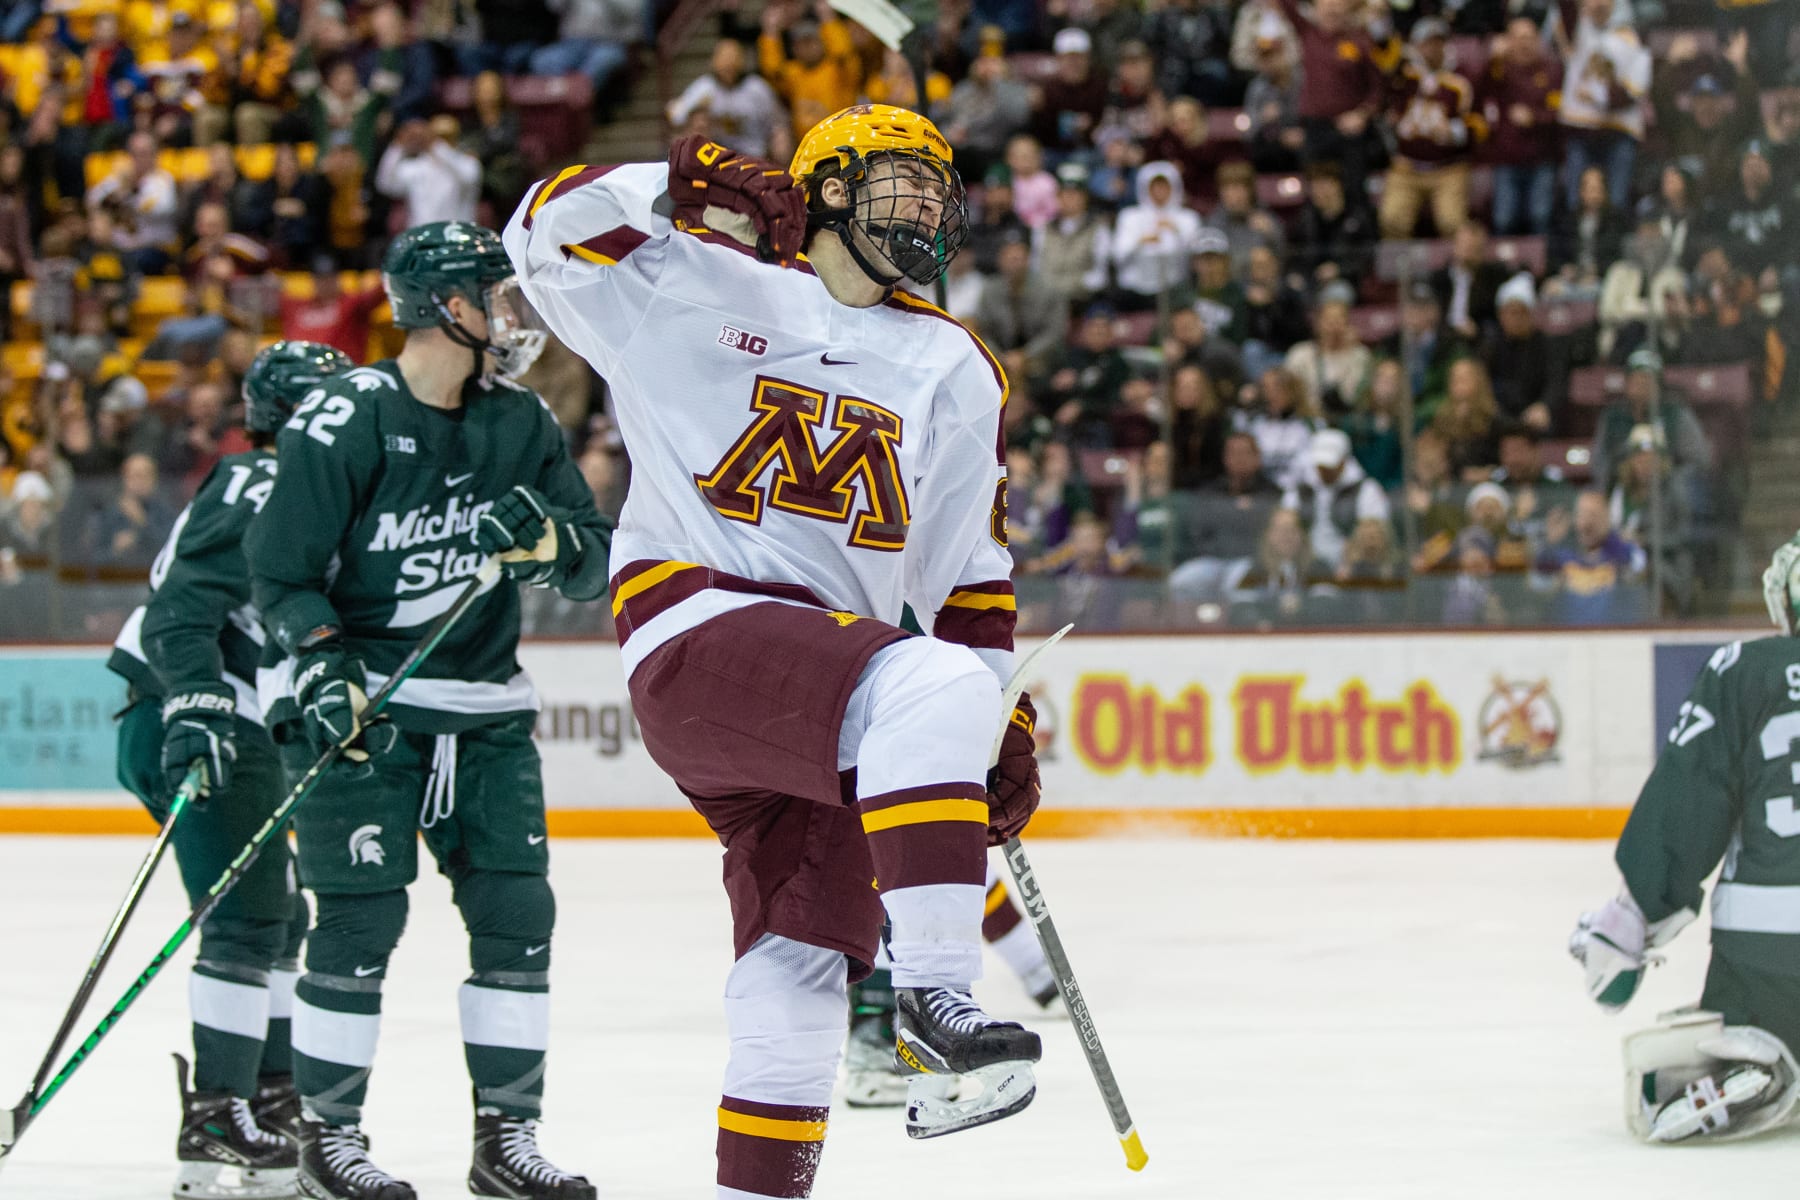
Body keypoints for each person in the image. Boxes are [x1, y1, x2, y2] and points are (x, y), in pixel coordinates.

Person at [505, 105, 1046, 1197]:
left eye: (940, 192)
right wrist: (671, 179)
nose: (929, 210)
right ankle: (937, 1002)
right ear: (829, 190)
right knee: (922, 681)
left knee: (797, 966)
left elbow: (965, 589)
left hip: (839, 696)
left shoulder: (954, 365)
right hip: (699, 633)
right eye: (904, 182)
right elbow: (540, 231)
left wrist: (999, 725)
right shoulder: (691, 278)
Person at [245, 223, 611, 1200]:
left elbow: (595, 558)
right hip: (367, 711)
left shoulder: (522, 421)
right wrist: (323, 668)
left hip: (485, 713)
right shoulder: (343, 419)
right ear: (444, 305)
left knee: (517, 917)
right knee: (360, 925)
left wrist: (543, 545)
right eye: (495, 295)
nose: (511, 315)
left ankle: (507, 1139)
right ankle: (330, 1138)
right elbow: (279, 575)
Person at [107, 342, 353, 1200]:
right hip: (195, 716)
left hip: (224, 719)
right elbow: (186, 606)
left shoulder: (311, 487)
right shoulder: (265, 479)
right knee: (251, 917)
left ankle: (269, 1096)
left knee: (279, 915)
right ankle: (217, 1115)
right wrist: (195, 703)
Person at [1566, 537, 1800, 1142]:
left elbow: (1688, 802)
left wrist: (1632, 917)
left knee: (1765, 1010)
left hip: (1771, 945)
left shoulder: (1743, 669)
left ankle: (1757, 1051)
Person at [1379, 19, 1481, 241]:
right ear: (1415, 46)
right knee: (1392, 218)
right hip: (1406, 166)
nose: (1431, 49)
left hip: (1448, 168)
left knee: (1452, 222)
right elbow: (1387, 104)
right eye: (1426, 44)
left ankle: (1449, 273)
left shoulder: (1462, 79)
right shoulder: (1405, 76)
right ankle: (1401, 272)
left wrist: (1452, 132)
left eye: (1437, 43)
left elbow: (1476, 124)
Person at [667, 38, 789, 160]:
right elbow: (677, 116)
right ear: (714, 61)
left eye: (733, 58)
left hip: (753, 156)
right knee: (697, 123)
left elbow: (778, 124)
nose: (729, 64)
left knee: (781, 137)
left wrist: (779, 153)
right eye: (725, 59)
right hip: (714, 157)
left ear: (742, 61)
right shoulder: (705, 88)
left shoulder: (757, 89)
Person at [1110, 161, 1201, 311]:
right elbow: (1118, 255)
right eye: (1155, 186)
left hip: (1174, 287)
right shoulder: (1130, 216)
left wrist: (1176, 232)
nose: (1160, 191)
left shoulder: (1188, 218)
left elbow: (1196, 257)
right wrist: (1140, 241)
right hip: (1134, 289)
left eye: (1165, 186)